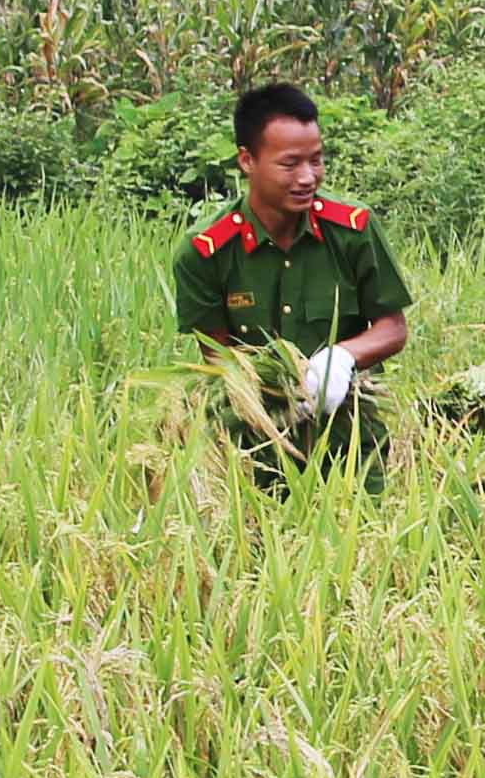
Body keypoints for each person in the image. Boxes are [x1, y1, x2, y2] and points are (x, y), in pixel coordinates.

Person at [173, 81, 411, 484]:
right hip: (254, 447)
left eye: (316, 161)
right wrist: (275, 393)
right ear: (248, 161)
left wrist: (342, 358)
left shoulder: (353, 231)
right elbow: (217, 357)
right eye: (289, 164)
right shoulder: (206, 252)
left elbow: (393, 328)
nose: (307, 177)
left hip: (351, 440)